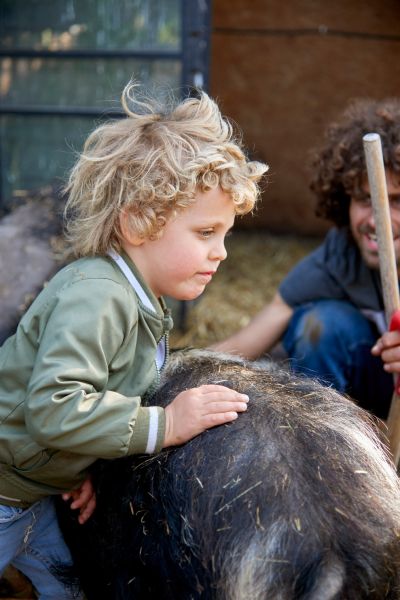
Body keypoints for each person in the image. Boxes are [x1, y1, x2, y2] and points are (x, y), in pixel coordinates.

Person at [0, 82, 267, 599]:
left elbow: (83, 402)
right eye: (206, 232)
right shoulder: (98, 298)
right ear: (139, 221)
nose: (223, 253)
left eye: (226, 235)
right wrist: (165, 423)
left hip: (33, 495)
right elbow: (54, 409)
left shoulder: (135, 296)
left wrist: (69, 465)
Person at [215, 98, 400, 420]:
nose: (376, 219)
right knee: (319, 325)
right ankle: (322, 441)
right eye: (363, 199)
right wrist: (170, 374)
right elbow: (254, 336)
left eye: (395, 201)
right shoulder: (341, 255)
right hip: (372, 391)